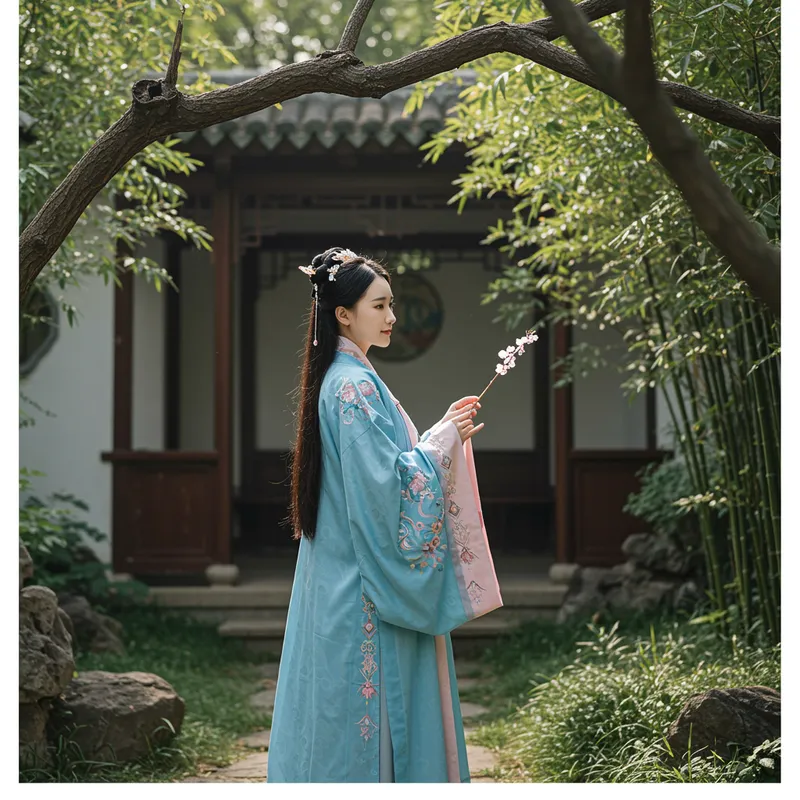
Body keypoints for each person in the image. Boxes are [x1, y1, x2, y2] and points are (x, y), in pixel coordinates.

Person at [266, 247, 503, 783]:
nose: (392, 316)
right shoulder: (352, 384)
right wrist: (443, 440)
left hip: (338, 569)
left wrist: (441, 430)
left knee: (332, 704)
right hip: (361, 583)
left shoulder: (347, 377)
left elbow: (383, 468)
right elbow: (380, 487)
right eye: (379, 306)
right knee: (363, 706)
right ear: (343, 314)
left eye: (391, 304)